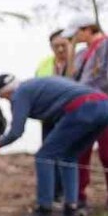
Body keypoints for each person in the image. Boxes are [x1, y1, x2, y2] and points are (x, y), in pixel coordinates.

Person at [0, 72, 108, 216]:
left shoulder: (20, 94)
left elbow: (17, 131)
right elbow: (50, 126)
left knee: (43, 157)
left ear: (6, 91)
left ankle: (44, 210)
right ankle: (71, 209)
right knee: (68, 157)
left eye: (1, 96)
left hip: (84, 107)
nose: (4, 100)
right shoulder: (37, 87)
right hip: (107, 107)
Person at [62, 16, 108, 211]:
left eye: (77, 34)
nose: (75, 38)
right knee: (81, 152)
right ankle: (78, 195)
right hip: (85, 108)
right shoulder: (82, 53)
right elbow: (71, 76)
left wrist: (78, 91)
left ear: (87, 29)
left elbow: (106, 76)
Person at [35, 29, 75, 203]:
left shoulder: (78, 63)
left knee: (67, 156)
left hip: (71, 117)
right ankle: (52, 192)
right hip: (49, 116)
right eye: (55, 46)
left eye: (63, 45)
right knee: (48, 154)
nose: (60, 50)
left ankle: (69, 194)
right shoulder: (44, 64)